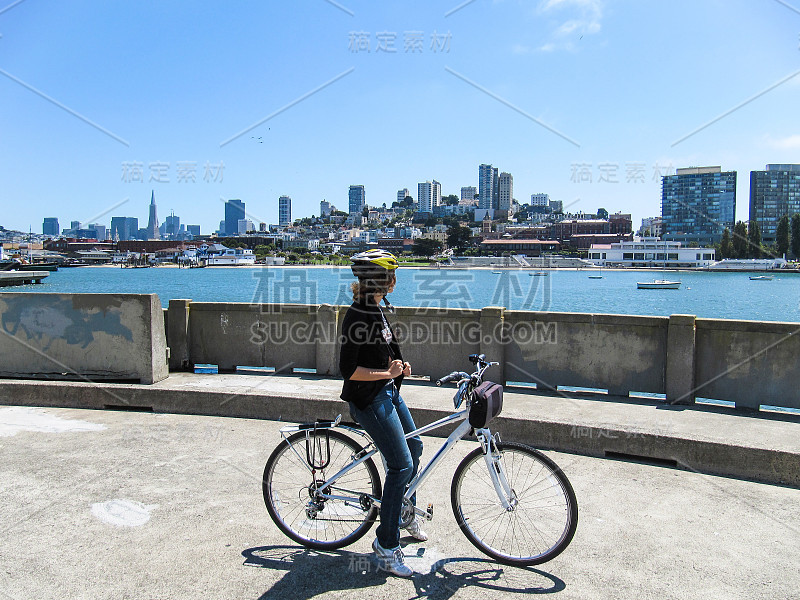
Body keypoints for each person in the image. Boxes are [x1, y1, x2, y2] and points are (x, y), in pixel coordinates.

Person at [339, 249, 426, 578]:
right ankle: (386, 546)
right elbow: (348, 370)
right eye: (391, 274)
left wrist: (398, 368)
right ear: (380, 280)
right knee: (400, 464)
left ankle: (403, 512)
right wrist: (386, 375)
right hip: (369, 399)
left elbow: (384, 354)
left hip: (388, 391)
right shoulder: (357, 315)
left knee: (415, 448)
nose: (395, 280)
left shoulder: (376, 308)